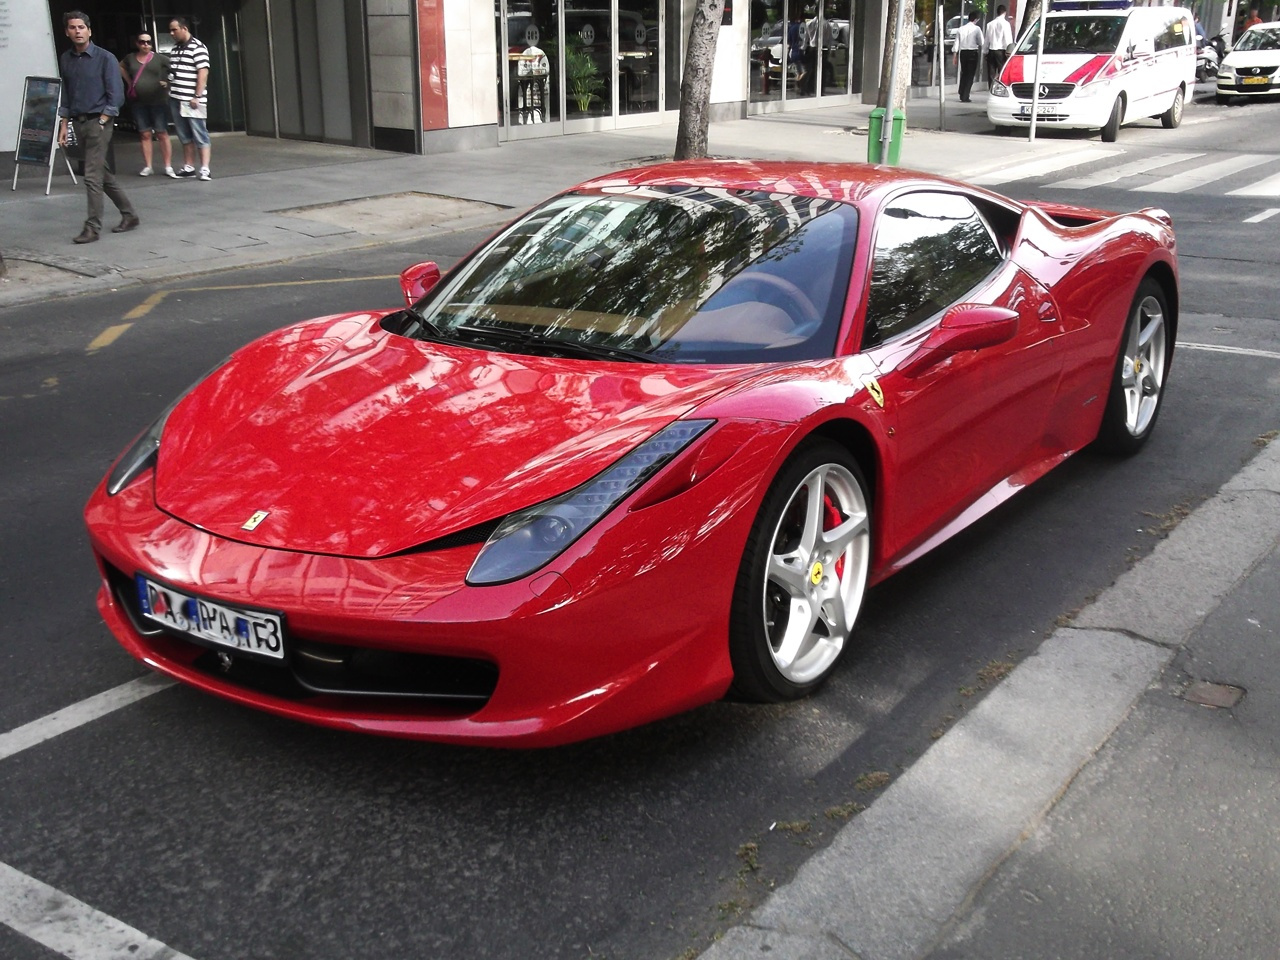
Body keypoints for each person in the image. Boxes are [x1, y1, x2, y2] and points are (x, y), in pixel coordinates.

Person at [57, 10, 139, 244]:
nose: (77, 31)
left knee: (91, 176)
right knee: (102, 174)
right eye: (73, 28)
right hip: (78, 121)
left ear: (89, 30)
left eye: (81, 27)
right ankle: (130, 215)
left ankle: (92, 227)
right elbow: (67, 94)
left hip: (98, 122)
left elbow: (116, 95)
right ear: (67, 32)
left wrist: (103, 120)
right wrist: (64, 124)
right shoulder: (66, 59)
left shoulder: (105, 58)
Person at [120, 32, 173, 177]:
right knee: (144, 133)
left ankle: (168, 165)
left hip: (158, 100)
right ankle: (148, 166)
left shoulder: (159, 58)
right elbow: (121, 66)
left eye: (149, 42)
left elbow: (175, 68)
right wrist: (129, 82)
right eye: (142, 42)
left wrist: (168, 82)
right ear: (137, 43)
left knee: (162, 133)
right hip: (139, 102)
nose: (146, 45)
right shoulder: (130, 58)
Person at [166, 16, 212, 181]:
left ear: (184, 28)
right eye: (170, 30)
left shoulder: (198, 47)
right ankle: (189, 166)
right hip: (176, 98)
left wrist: (197, 96)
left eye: (174, 30)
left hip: (192, 99)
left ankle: (205, 168)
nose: (171, 33)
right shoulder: (175, 48)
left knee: (200, 133)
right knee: (184, 135)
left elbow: (203, 72)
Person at [953, 10, 983, 102]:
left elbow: (956, 43)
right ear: (976, 19)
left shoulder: (961, 29)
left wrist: (955, 54)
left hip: (963, 53)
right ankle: (965, 95)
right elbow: (981, 42)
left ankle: (961, 91)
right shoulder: (977, 29)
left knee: (964, 72)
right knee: (970, 75)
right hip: (972, 52)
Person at [984, 5, 1013, 88]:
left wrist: (985, 51)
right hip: (1001, 51)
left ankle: (991, 89)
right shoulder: (1006, 24)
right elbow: (1008, 39)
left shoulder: (990, 24)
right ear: (1005, 12)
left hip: (991, 50)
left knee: (991, 73)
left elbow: (987, 39)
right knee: (1002, 72)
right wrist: (1009, 51)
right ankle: (1000, 89)